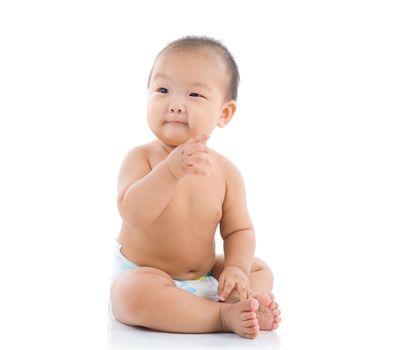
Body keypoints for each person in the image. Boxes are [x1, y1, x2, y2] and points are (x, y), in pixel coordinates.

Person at [109, 35, 282, 339]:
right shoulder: (141, 158)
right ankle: (220, 315)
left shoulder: (227, 172)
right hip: (148, 275)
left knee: (259, 269)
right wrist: (171, 172)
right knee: (129, 295)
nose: (175, 104)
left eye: (194, 95)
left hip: (203, 274)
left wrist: (236, 270)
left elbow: (238, 231)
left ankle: (241, 298)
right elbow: (133, 213)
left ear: (224, 113)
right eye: (162, 90)